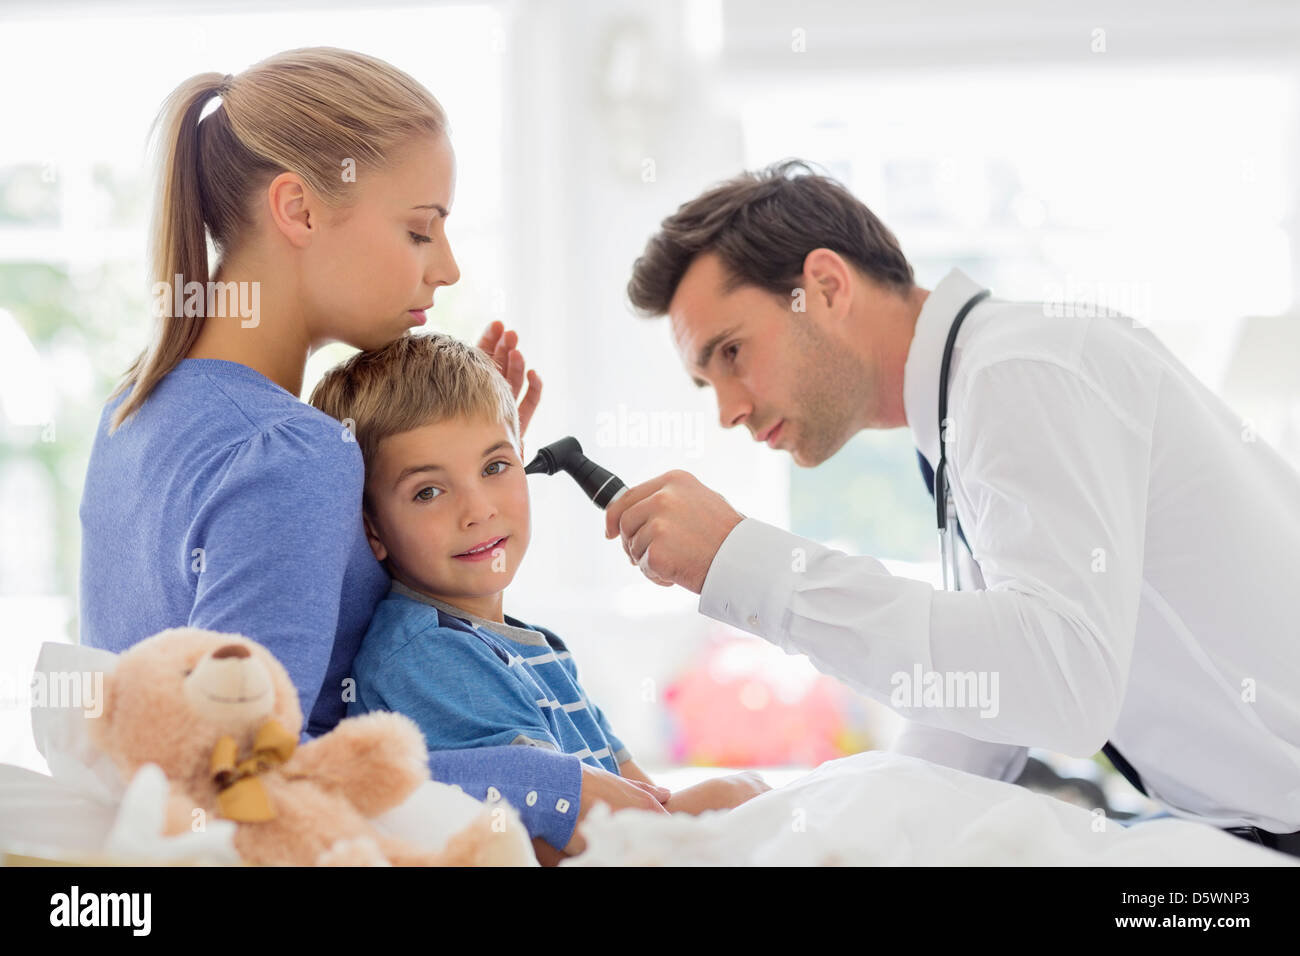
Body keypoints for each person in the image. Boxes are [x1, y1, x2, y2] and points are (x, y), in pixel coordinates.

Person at [603, 158, 1300, 856]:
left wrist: (745, 561)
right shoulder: (966, 409)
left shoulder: (1018, 372)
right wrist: (776, 812)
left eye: (732, 352)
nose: (729, 409)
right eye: (706, 382)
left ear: (825, 285)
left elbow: (1062, 680)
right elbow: (982, 727)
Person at [78, 46, 667, 859]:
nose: (448, 267)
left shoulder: (130, 416)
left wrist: (461, 458)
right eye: (419, 229)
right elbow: (238, 779)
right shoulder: (293, 456)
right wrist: (550, 786)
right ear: (299, 209)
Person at [308, 333, 770, 862]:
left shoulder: (538, 646)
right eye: (428, 491)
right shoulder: (426, 656)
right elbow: (545, 846)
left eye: (495, 467)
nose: (478, 509)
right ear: (373, 530)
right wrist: (726, 803)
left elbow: (645, 794)